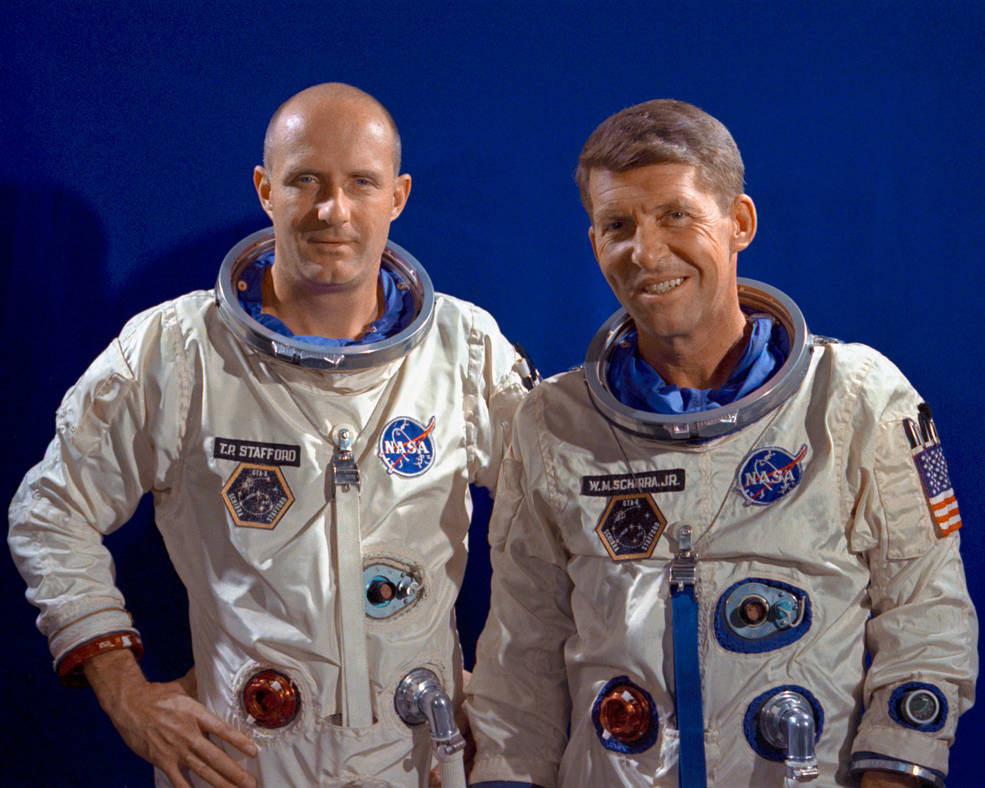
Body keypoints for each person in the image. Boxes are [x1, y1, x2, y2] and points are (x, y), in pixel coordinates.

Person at [8, 83, 534, 788]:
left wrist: (499, 694)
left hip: (418, 760)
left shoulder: (463, 350)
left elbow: (555, 518)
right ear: (265, 189)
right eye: (305, 181)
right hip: (244, 760)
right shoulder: (179, 349)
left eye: (361, 184)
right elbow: (50, 512)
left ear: (397, 196)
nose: (332, 210)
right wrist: (126, 695)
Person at [465, 99, 976, 788]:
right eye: (618, 225)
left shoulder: (854, 399)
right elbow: (519, 657)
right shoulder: (554, 423)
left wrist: (895, 769)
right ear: (593, 244)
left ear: (738, 223)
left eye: (675, 215)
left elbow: (926, 612)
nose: (645, 252)